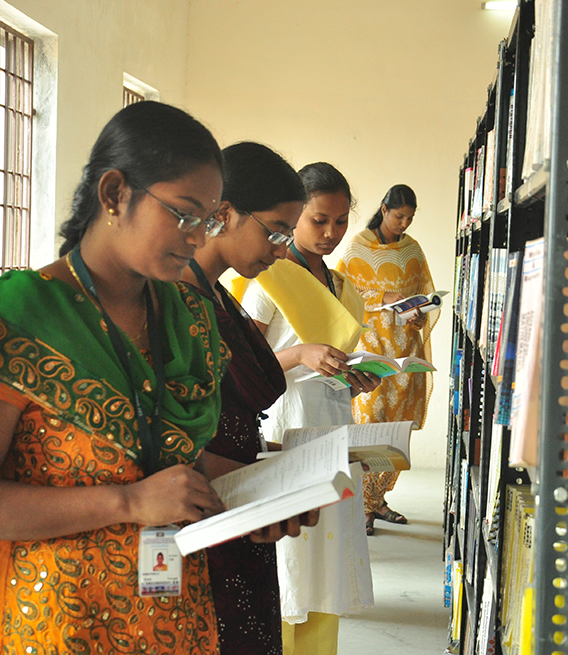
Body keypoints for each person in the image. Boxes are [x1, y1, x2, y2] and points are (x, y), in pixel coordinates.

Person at [0, 101, 237, 655]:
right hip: (56, 624)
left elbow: (181, 464)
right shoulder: (22, 317)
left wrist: (258, 498)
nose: (198, 239)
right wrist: (128, 503)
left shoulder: (188, 318)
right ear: (115, 194)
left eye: (208, 221)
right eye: (184, 214)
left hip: (173, 617)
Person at [233, 162, 379, 655]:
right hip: (285, 428)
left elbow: (334, 365)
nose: (331, 233)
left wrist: (356, 378)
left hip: (331, 428)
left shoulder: (343, 289)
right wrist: (299, 354)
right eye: (319, 220)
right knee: (290, 560)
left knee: (326, 563)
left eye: (340, 221)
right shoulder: (269, 279)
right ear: (295, 216)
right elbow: (241, 368)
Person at [178, 141, 314, 655]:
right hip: (207, 514)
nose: (281, 249)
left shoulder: (216, 292)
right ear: (225, 214)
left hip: (239, 505)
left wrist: (287, 465)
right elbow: (174, 440)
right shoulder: (177, 298)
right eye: (275, 231)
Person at [336, 184, 437, 536]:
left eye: (410, 217)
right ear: (383, 210)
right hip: (371, 350)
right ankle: (361, 504)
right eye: (399, 216)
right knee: (368, 426)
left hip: (404, 353)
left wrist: (419, 314)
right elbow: (343, 294)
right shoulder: (356, 249)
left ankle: (378, 500)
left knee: (396, 429)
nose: (404, 224)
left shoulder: (412, 250)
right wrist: (384, 297)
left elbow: (423, 292)